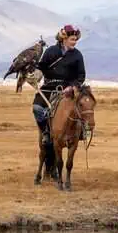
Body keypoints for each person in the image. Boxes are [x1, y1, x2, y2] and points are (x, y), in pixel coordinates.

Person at [33, 24, 86, 153]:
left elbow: (81, 76)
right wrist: (35, 76)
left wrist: (72, 87)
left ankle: (81, 132)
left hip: (68, 89)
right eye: (72, 39)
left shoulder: (77, 55)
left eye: (75, 40)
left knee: (83, 106)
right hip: (48, 88)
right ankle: (46, 131)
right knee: (37, 107)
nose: (74, 42)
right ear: (64, 39)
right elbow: (41, 67)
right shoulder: (50, 51)